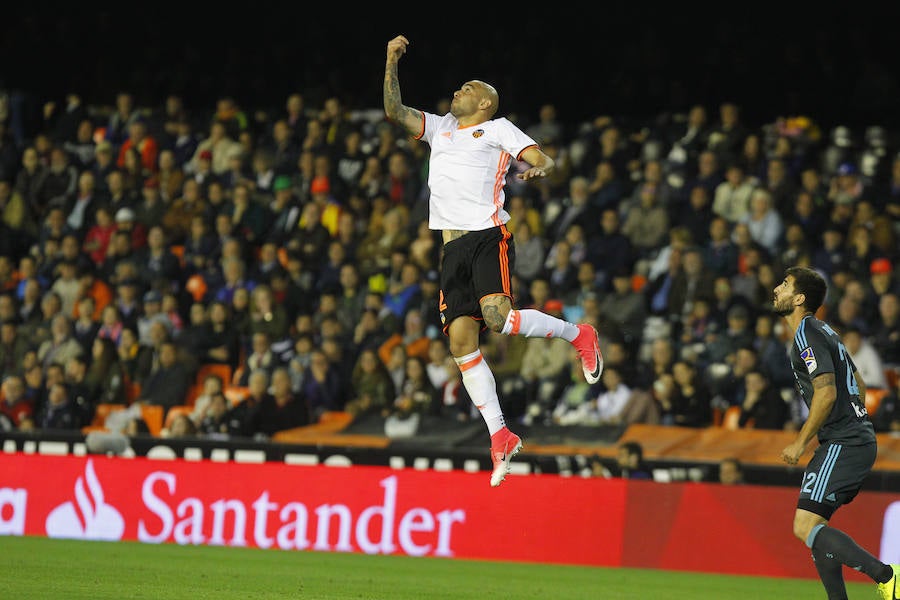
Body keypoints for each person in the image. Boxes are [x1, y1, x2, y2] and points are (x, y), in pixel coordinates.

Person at [384, 35, 603, 487]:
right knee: (461, 343)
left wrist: (542, 165)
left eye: (468, 88)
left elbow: (539, 154)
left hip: (488, 235)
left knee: (497, 317)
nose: (458, 92)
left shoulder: (498, 127)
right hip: (450, 246)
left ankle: (578, 334)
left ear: (484, 101)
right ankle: (500, 433)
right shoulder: (440, 127)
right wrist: (391, 61)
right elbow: (395, 111)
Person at [772, 266, 899, 599]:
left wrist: (800, 443)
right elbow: (857, 380)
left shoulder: (805, 334)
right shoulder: (824, 330)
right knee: (814, 529)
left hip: (845, 441)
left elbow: (826, 392)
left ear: (799, 298)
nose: (776, 289)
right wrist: (855, 415)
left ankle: (887, 576)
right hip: (851, 437)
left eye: (784, 285)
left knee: (804, 526)